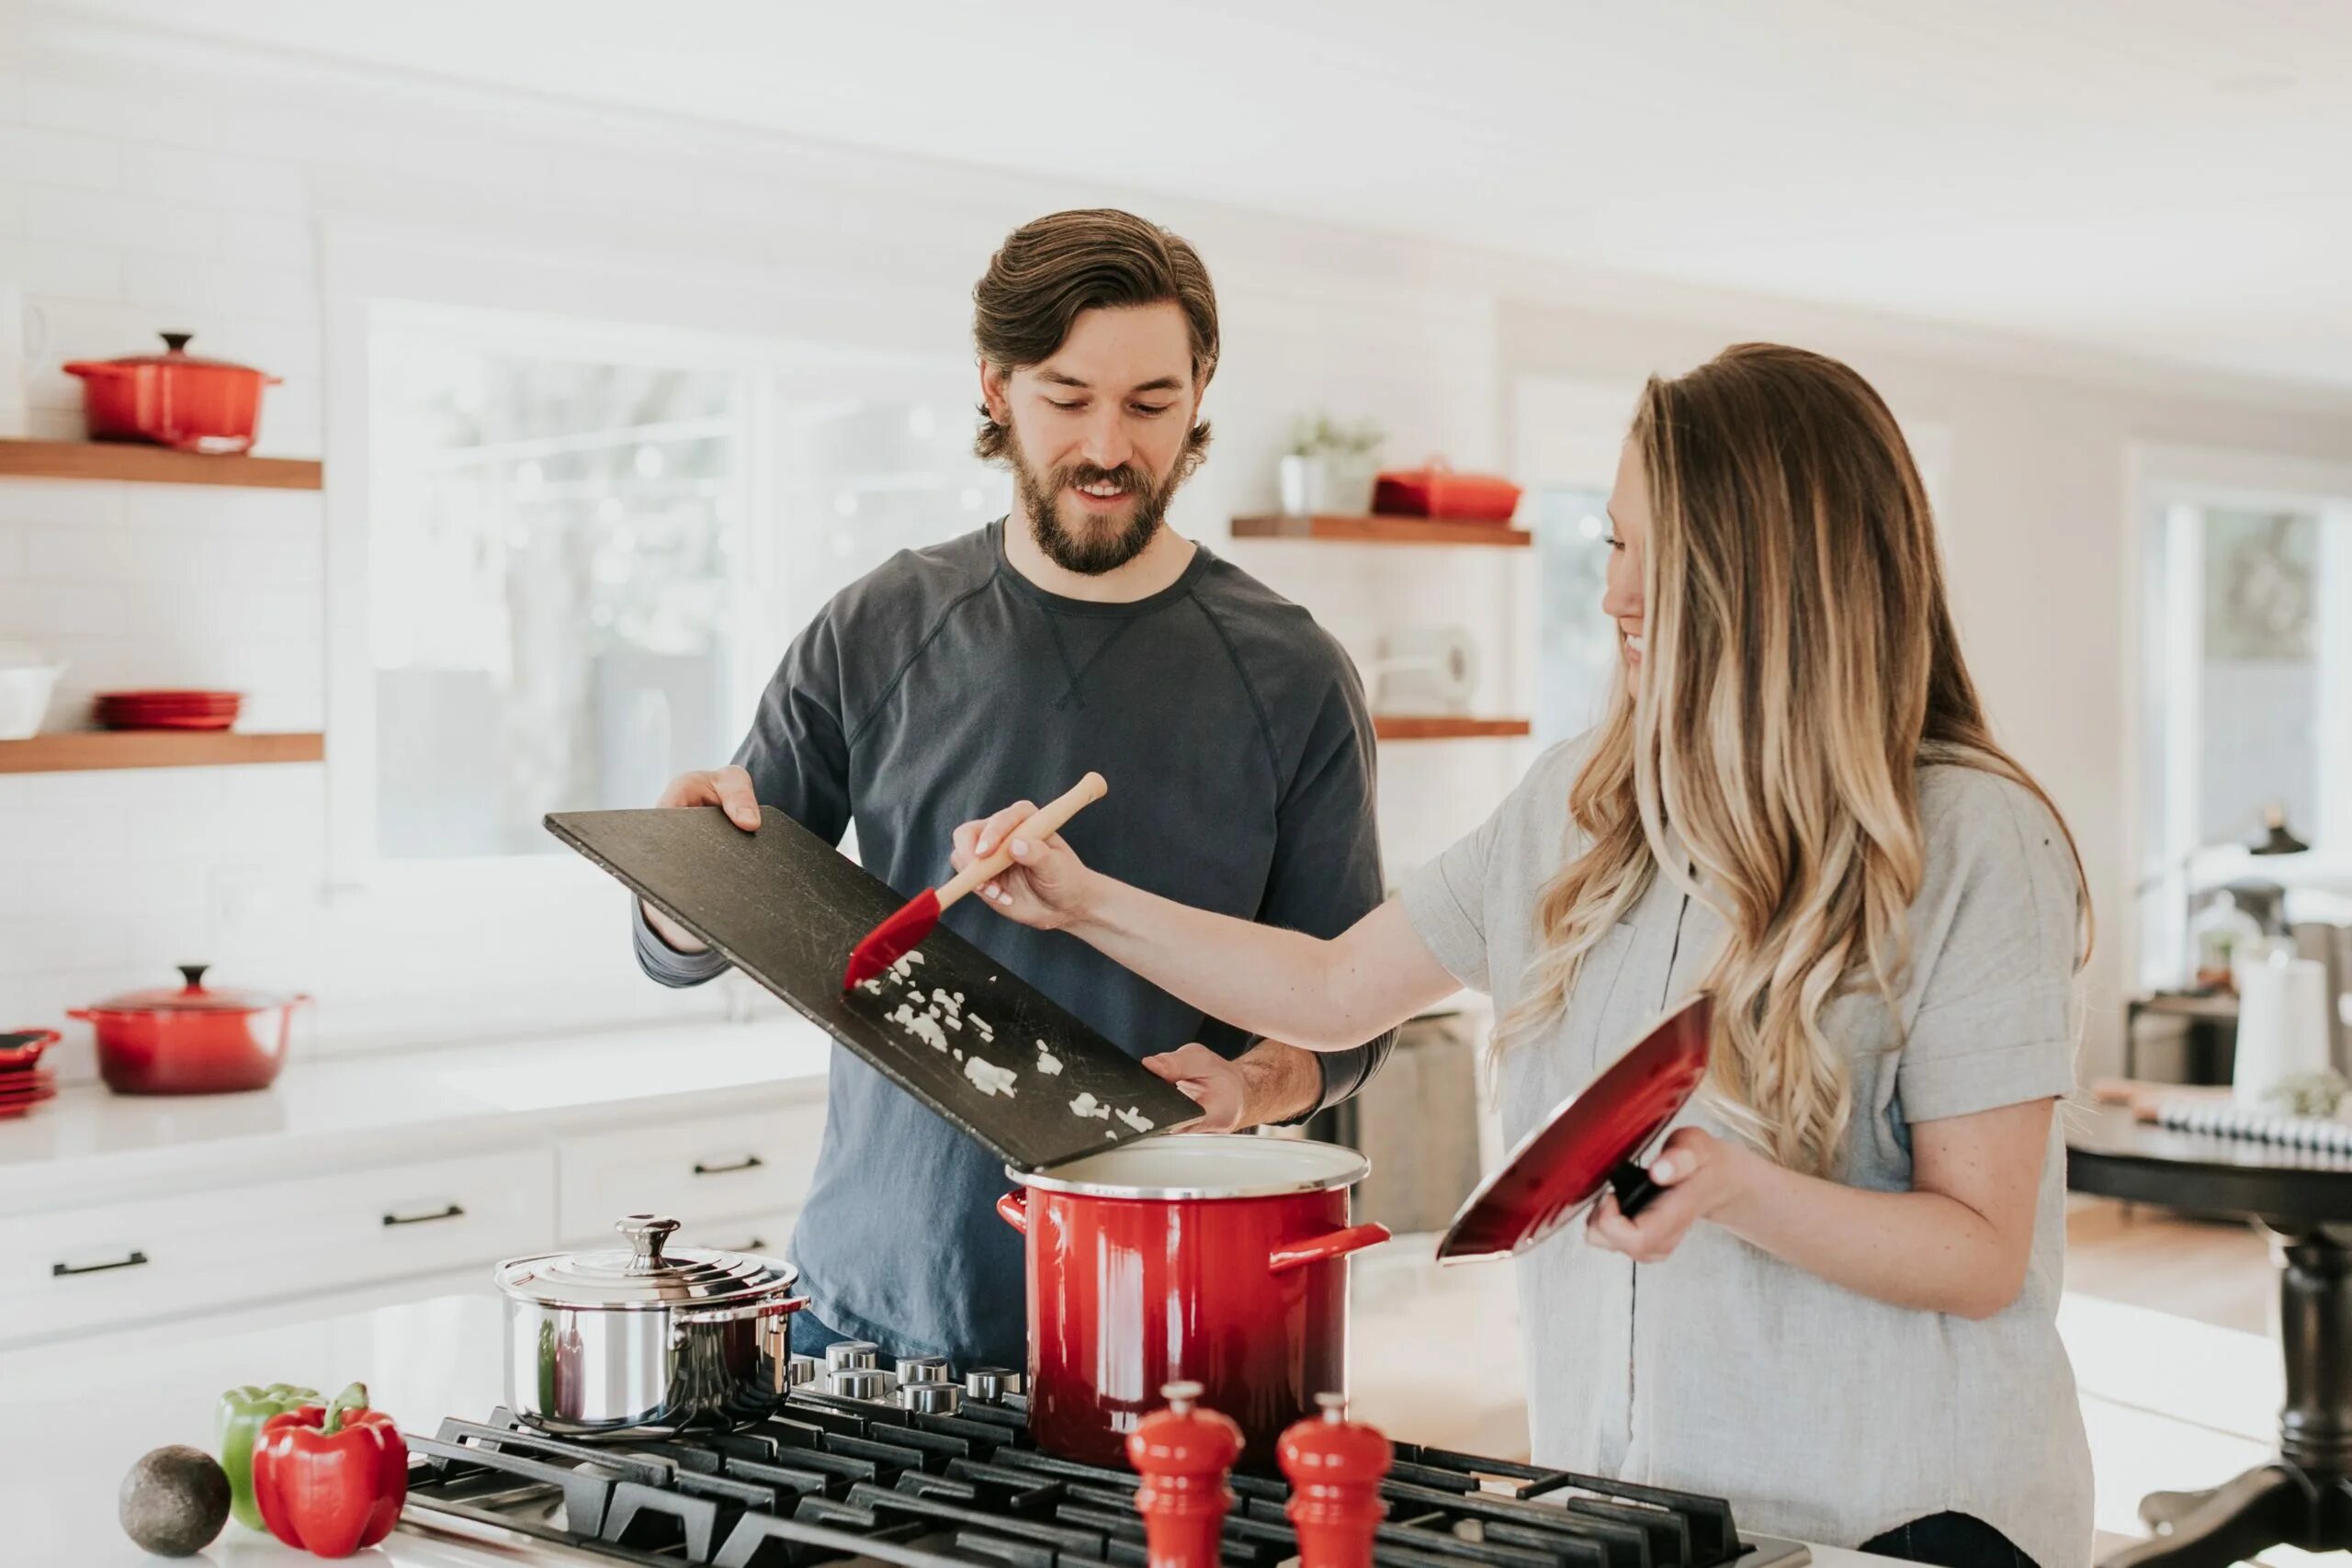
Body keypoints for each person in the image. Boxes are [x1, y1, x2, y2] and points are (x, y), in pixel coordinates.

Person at [954, 344, 2094, 1567]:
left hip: (1904, 1522)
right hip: (1640, 1515)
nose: (1618, 594)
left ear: (1781, 578)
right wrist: (1081, 900)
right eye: (1613, 543)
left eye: (1665, 554)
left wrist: (1737, 1186)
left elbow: (1982, 1250)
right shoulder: (1580, 807)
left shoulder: (1973, 836)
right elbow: (1336, 987)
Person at [632, 208, 1396, 1372]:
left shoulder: (1291, 674)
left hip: (1167, 1321)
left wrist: (1253, 1084)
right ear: (995, 386)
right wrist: (675, 886)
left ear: (1199, 393)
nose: (1108, 445)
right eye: (1066, 396)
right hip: (868, 1313)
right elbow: (702, 926)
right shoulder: (877, 626)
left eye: (1149, 403)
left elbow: (1351, 1016)